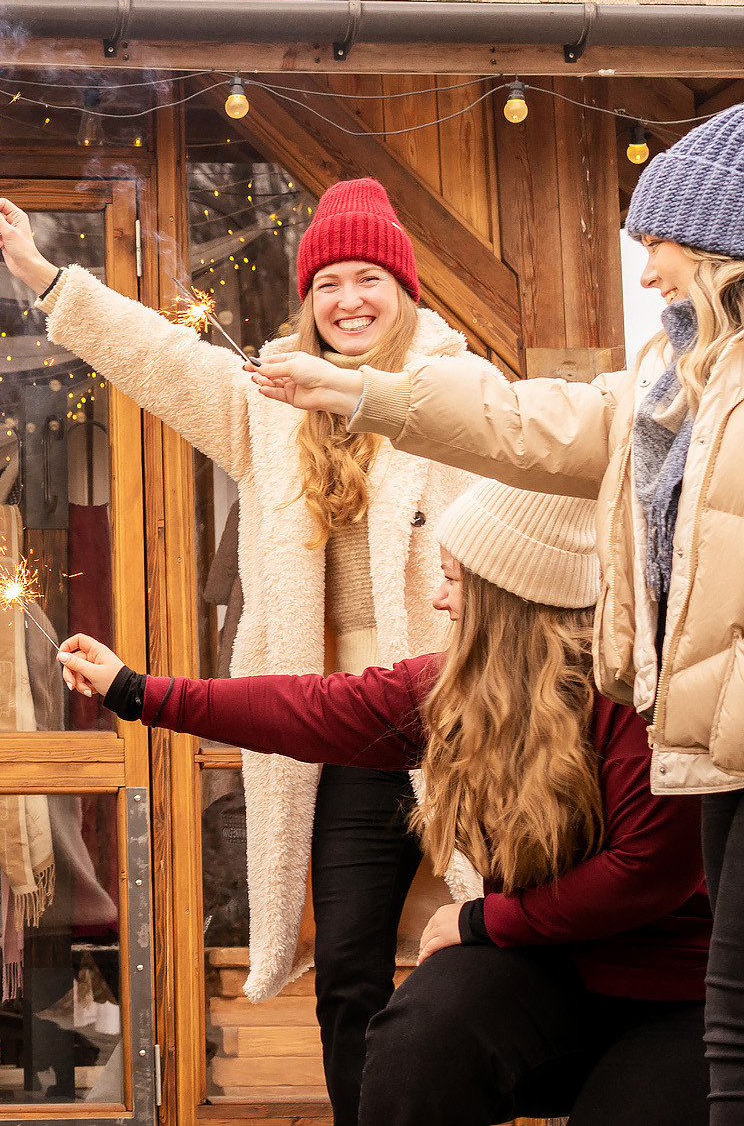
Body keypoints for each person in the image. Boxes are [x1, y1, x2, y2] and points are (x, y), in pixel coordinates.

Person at [245, 104, 744, 1123]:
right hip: (715, 748)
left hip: (725, 746)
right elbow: (520, 422)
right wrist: (357, 392)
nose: (645, 270)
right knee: (728, 1024)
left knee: (728, 1030)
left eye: (657, 243)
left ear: (716, 246)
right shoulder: (667, 389)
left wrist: (481, 923)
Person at [0, 180, 487, 1121]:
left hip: (464, 719)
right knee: (347, 969)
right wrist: (50, 279)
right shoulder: (272, 400)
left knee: (486, 948)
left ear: (404, 288)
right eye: (329, 282)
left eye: (368, 278)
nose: (348, 300)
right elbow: (161, 355)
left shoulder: (457, 391)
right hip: (344, 730)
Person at [58, 479, 710, 1125]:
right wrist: (135, 691)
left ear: (508, 596)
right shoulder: (456, 688)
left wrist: (485, 921)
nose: (438, 598)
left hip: (673, 998)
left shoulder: (639, 700)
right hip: (547, 975)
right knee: (416, 1039)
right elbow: (310, 708)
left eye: (452, 580)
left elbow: (644, 871)